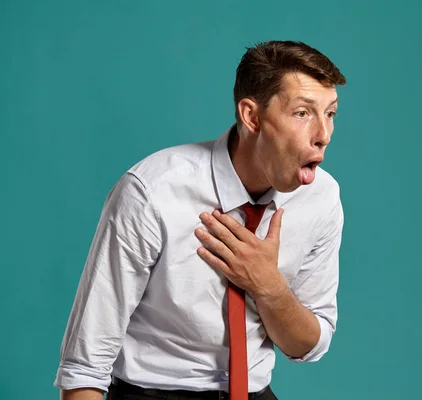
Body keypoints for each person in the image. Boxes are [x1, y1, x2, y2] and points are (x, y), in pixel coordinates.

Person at [54, 40, 346, 400]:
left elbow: (306, 345)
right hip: (152, 393)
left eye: (330, 113)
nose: (324, 135)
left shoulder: (321, 197)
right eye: (303, 113)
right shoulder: (151, 192)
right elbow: (85, 367)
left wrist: (269, 287)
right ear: (252, 116)